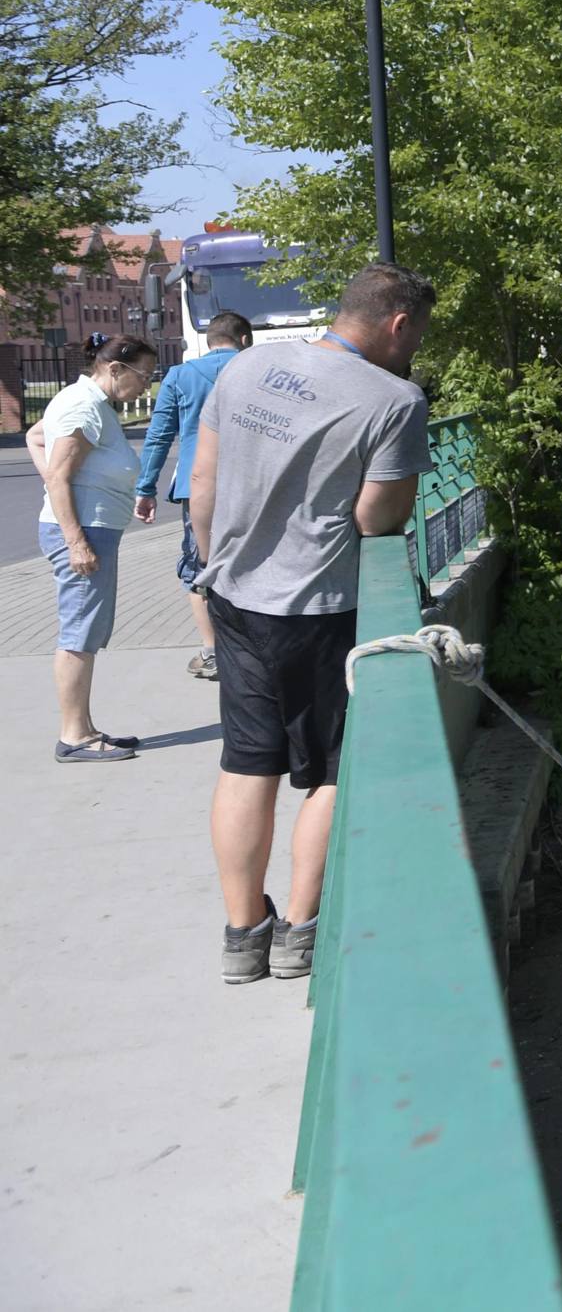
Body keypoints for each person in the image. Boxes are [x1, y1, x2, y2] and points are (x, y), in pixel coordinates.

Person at [192, 264, 433, 984]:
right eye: (417, 331)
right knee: (330, 768)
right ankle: (302, 929)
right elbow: (374, 516)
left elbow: (202, 482)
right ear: (398, 324)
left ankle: (243, 934)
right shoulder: (396, 398)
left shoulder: (246, 366)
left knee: (246, 760)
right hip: (318, 609)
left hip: (234, 597)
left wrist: (216, 571)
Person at [35, 335, 161, 760]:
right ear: (115, 369)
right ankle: (74, 737)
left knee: (86, 630)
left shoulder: (86, 402)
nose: (145, 385)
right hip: (83, 532)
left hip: (92, 527)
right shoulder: (83, 406)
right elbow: (58, 475)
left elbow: (37, 439)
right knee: (79, 632)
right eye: (143, 375)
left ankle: (85, 729)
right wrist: (76, 542)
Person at [135, 310, 252, 680]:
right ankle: (254, 647)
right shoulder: (256, 370)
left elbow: (158, 436)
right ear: (244, 339)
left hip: (196, 487)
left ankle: (213, 651)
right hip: (253, 482)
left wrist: (145, 488)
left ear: (208, 340)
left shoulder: (180, 376)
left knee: (199, 566)